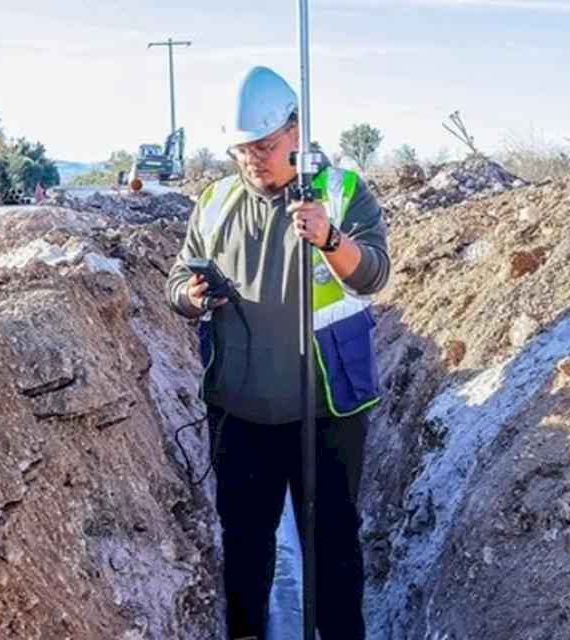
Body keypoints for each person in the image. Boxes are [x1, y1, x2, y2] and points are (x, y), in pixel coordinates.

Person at [164, 66, 390, 640]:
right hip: (240, 413)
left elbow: (373, 275)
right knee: (244, 545)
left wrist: (330, 239)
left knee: (333, 548)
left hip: (327, 410)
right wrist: (189, 296)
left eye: (265, 146)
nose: (254, 160)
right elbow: (175, 280)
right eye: (243, 149)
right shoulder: (215, 202)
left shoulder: (340, 192)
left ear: (296, 129)